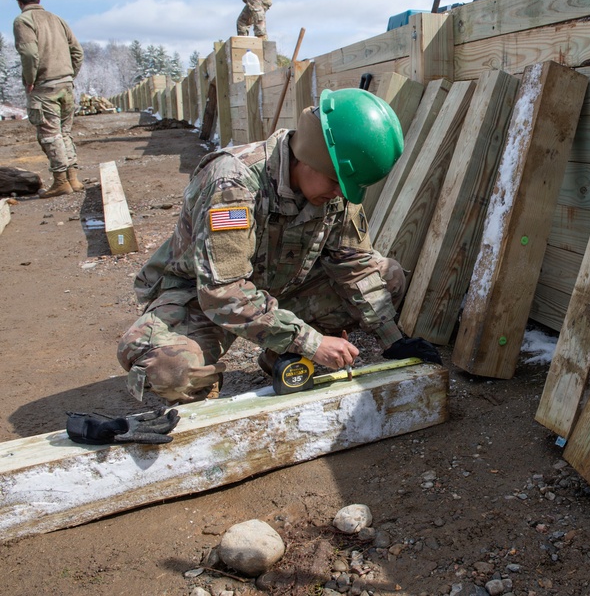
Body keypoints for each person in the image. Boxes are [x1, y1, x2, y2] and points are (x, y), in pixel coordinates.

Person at [117, 88, 442, 404]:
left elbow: (355, 266)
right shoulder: (233, 183)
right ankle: (204, 359)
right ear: (310, 157)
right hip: (203, 299)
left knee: (388, 277)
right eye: (335, 183)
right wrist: (311, 342)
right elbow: (222, 292)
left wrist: (394, 340)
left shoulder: (337, 188)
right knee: (171, 371)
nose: (340, 195)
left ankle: (283, 356)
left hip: (280, 288)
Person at [11, 0, 85, 198]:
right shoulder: (58, 19)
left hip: (44, 87)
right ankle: (73, 178)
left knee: (50, 135)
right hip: (66, 85)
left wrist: (30, 79)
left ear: (18, 0)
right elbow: (78, 53)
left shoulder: (23, 21)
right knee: (64, 133)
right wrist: (68, 75)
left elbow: (29, 53)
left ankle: (61, 181)